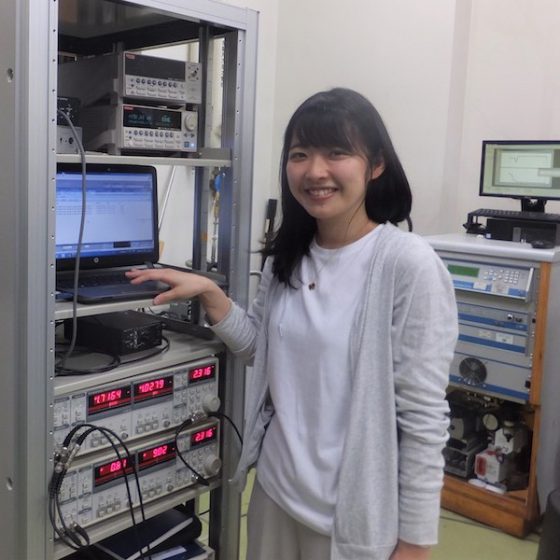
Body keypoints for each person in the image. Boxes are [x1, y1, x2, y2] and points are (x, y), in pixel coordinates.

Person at [127, 88, 458, 560]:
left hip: (349, 520)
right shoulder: (289, 255)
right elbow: (261, 351)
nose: (315, 171)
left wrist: (415, 545)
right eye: (300, 155)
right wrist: (211, 295)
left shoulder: (407, 266)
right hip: (274, 496)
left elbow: (424, 417)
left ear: (376, 164)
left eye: (337, 153)